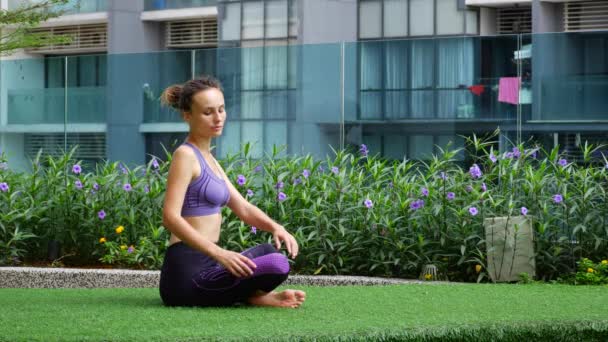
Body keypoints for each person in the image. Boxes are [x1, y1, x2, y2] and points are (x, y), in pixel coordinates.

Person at [158, 75, 306, 308]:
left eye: (221, 109)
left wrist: (277, 227)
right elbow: (170, 217)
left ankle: (251, 296)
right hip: (185, 274)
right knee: (277, 264)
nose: (218, 118)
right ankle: (256, 298)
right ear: (188, 116)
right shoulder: (185, 155)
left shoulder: (210, 160)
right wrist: (220, 254)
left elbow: (243, 208)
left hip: (210, 264)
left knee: (269, 250)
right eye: (208, 112)